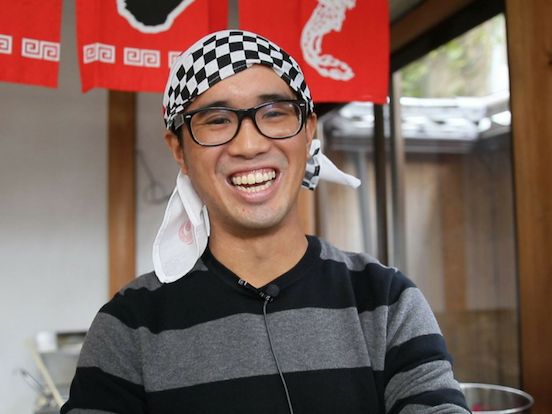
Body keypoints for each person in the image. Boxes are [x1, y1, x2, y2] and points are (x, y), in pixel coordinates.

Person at [62, 30, 469, 414]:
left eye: (274, 113)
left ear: (308, 132)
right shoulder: (129, 326)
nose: (249, 144)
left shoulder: (386, 302)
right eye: (217, 120)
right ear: (180, 151)